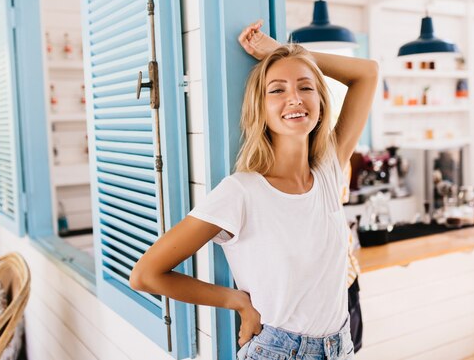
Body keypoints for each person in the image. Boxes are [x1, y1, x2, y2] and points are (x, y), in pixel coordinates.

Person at [130, 19, 378, 360]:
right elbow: (145, 274)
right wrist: (235, 302)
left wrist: (284, 52)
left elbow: (367, 72)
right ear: (260, 109)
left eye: (306, 88)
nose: (294, 98)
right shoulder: (241, 192)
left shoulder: (328, 171)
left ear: (320, 103)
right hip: (277, 350)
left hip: (341, 345)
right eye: (277, 90)